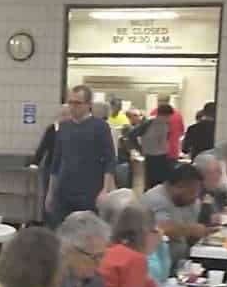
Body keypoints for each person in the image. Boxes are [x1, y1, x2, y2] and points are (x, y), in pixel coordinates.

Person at [46, 85, 116, 228]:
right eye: (70, 103)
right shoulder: (64, 127)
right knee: (61, 230)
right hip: (64, 190)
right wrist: (50, 192)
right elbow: (56, 162)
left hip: (90, 191)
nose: (73, 107)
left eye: (78, 103)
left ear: (89, 104)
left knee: (87, 231)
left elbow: (110, 160)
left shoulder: (100, 126)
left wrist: (105, 189)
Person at [141, 163, 213, 264]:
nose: (195, 197)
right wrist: (192, 230)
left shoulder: (192, 202)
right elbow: (163, 229)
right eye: (191, 192)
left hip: (184, 258)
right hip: (156, 259)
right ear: (178, 186)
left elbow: (190, 238)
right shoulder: (156, 199)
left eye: (197, 192)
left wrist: (205, 232)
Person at [99, 188, 171, 285]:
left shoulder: (149, 238)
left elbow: (162, 278)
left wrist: (161, 245)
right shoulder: (108, 249)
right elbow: (148, 283)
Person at [100, 203, 161, 287]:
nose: (159, 236)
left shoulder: (107, 250)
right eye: (155, 231)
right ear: (145, 233)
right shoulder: (135, 258)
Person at [34, 104, 70, 206]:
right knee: (48, 195)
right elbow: (43, 147)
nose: (64, 117)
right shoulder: (52, 129)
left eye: (67, 115)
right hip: (50, 165)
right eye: (62, 114)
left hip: (66, 167)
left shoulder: (73, 129)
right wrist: (35, 162)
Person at [128, 105, 171, 190]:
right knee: (152, 182)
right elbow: (131, 135)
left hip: (163, 155)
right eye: (167, 117)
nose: (168, 119)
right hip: (151, 156)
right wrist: (139, 148)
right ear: (162, 115)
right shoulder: (149, 123)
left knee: (163, 183)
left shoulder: (165, 124)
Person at [150, 94, 185, 163]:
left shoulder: (154, 113)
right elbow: (181, 132)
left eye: (161, 101)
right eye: (159, 101)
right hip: (172, 151)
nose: (160, 103)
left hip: (160, 151)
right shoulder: (177, 114)